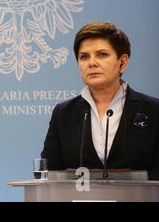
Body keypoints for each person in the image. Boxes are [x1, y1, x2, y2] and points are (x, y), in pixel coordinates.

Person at [41, 22, 159, 180]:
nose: (92, 63)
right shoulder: (63, 113)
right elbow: (51, 172)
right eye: (84, 57)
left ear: (122, 62)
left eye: (102, 54)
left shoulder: (153, 109)